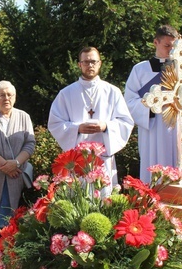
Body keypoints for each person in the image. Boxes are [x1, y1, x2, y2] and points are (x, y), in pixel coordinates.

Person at [124, 25, 182, 182]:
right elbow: (129, 101)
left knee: (180, 165)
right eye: (167, 46)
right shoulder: (140, 70)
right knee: (154, 172)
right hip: (153, 127)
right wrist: (150, 107)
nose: (171, 51)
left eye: (173, 46)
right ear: (156, 42)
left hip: (179, 126)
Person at [48, 47, 133, 194]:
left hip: (103, 159)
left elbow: (126, 122)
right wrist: (77, 128)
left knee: (103, 200)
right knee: (79, 204)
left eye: (93, 61)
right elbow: (55, 123)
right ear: (79, 64)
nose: (90, 65)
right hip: (77, 160)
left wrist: (106, 126)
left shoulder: (112, 91)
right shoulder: (66, 93)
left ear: (100, 63)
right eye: (86, 62)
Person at [0, 81, 35, 265]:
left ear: (15, 97)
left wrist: (16, 162)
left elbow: (30, 144)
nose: (6, 98)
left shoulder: (24, 117)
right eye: (1, 95)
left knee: (12, 216)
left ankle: (9, 256)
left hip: (16, 175)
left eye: (9, 94)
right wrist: (4, 165)